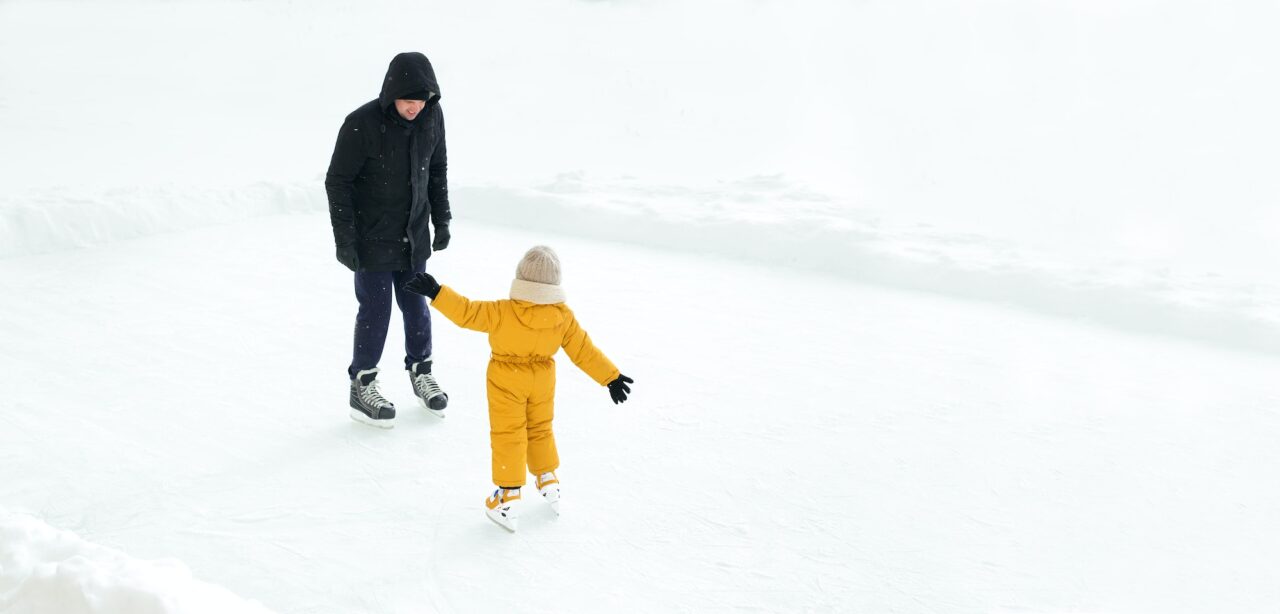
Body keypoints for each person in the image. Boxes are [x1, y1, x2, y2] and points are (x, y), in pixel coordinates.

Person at [404, 246, 634, 532]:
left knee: (509, 434)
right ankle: (548, 479)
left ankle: (507, 495)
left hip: (507, 379)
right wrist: (611, 377)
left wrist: (437, 292)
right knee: (540, 428)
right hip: (542, 379)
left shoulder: (503, 311)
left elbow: (467, 312)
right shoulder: (562, 317)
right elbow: (583, 351)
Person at [325, 52, 451, 428]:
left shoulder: (432, 117)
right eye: (407, 99)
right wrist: (345, 240)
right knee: (376, 310)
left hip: (413, 235)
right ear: (391, 94)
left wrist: (441, 220)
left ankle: (421, 371)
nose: (414, 107)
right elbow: (338, 182)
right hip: (371, 237)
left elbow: (438, 168)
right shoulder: (361, 123)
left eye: (421, 100)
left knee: (416, 306)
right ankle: (362, 384)